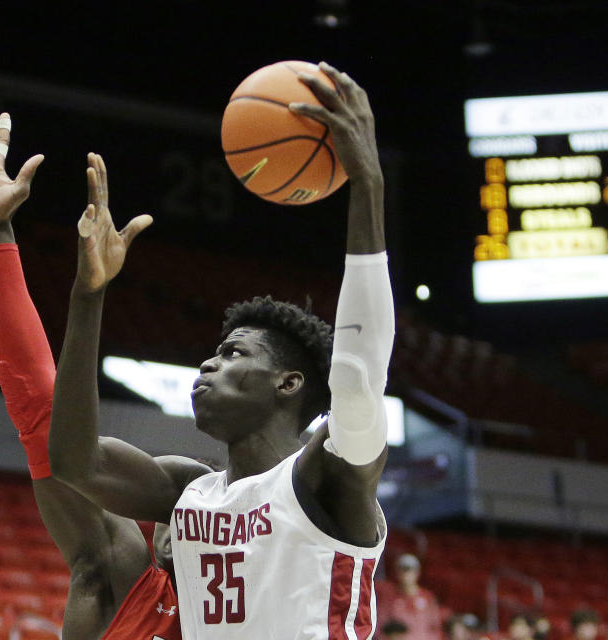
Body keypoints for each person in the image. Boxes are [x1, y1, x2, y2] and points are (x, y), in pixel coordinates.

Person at [49, 61, 393, 639]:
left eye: (234, 354)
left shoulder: (326, 477)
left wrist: (368, 183)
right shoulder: (190, 491)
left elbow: (358, 375)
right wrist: (89, 295)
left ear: (288, 383)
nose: (210, 362)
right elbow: (74, 461)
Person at [0, 112, 181, 640]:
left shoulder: (269, 602)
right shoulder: (131, 581)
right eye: (166, 509)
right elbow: (42, 412)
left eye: (186, 508)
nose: (169, 523)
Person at [379, 554, 443, 640]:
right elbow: (381, 626)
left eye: (409, 570)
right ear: (397, 572)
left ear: (417, 572)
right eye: (402, 570)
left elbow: (435, 627)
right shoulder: (389, 598)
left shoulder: (428, 597)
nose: (406, 574)